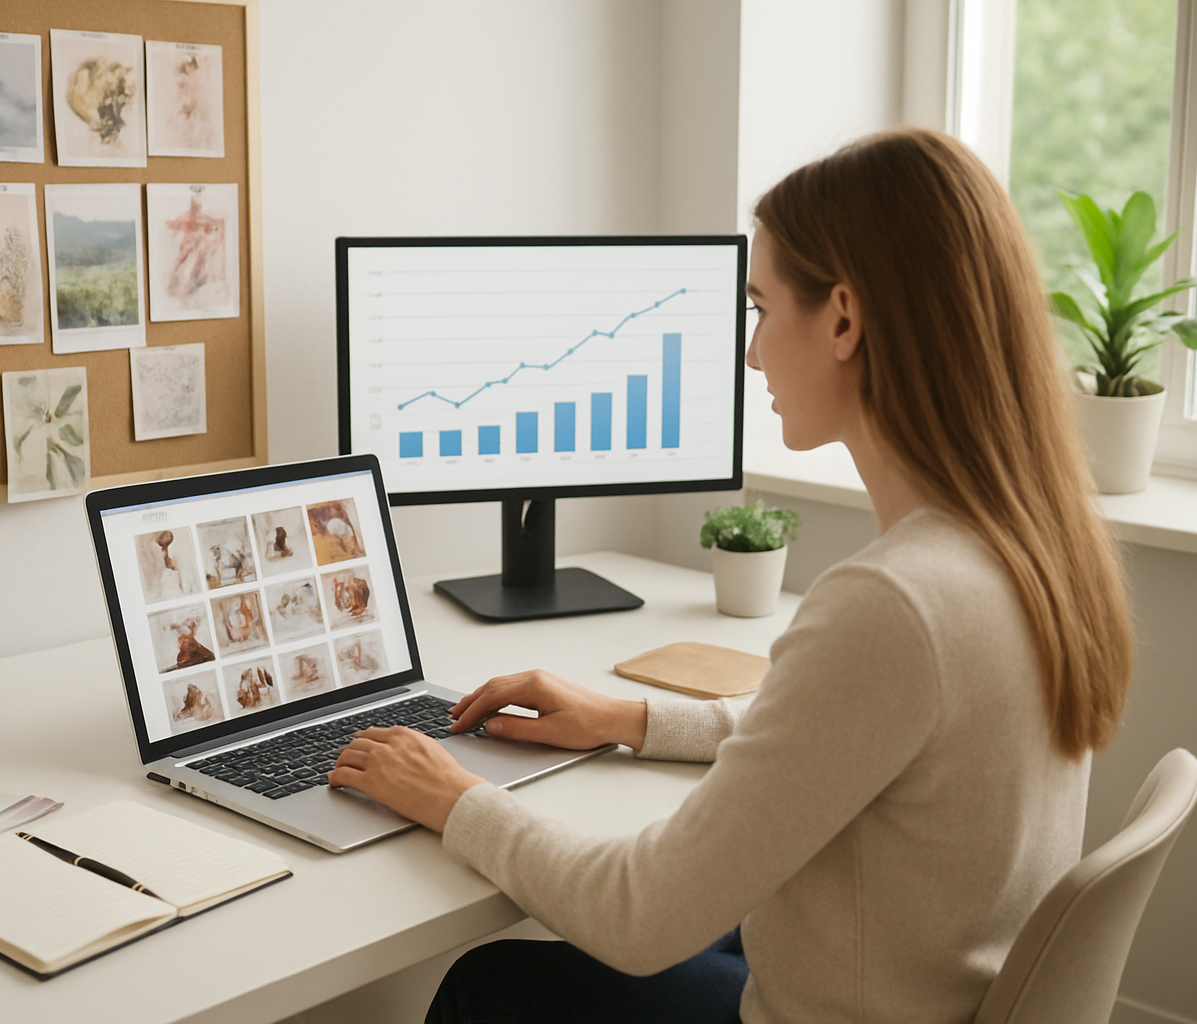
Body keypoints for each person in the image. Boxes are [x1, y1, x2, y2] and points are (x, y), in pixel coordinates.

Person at [328, 128, 1134, 1024]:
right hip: (925, 978)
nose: (751, 354)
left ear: (843, 319)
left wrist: (454, 797)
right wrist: (628, 720)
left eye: (760, 307)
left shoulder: (895, 603)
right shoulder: (1027, 547)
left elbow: (639, 916)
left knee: (489, 987)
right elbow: (841, 731)